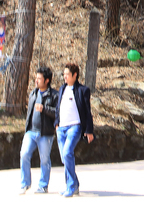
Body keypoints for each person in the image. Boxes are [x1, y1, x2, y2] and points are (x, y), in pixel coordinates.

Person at [54, 63, 94, 198]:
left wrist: (89, 130)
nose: (64, 77)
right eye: (64, 74)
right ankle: (74, 184)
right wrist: (56, 124)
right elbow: (57, 108)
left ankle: (70, 186)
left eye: (67, 74)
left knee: (67, 153)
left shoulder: (83, 90)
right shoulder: (62, 89)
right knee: (65, 158)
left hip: (74, 127)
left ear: (74, 75)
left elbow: (87, 112)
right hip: (61, 129)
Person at [19, 67, 59, 194]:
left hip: (45, 133)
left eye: (39, 78)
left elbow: (58, 113)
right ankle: (25, 183)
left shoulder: (54, 95)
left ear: (47, 80)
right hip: (31, 131)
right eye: (36, 78)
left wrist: (44, 108)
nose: (36, 80)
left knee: (45, 159)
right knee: (24, 154)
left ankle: (43, 185)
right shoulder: (33, 93)